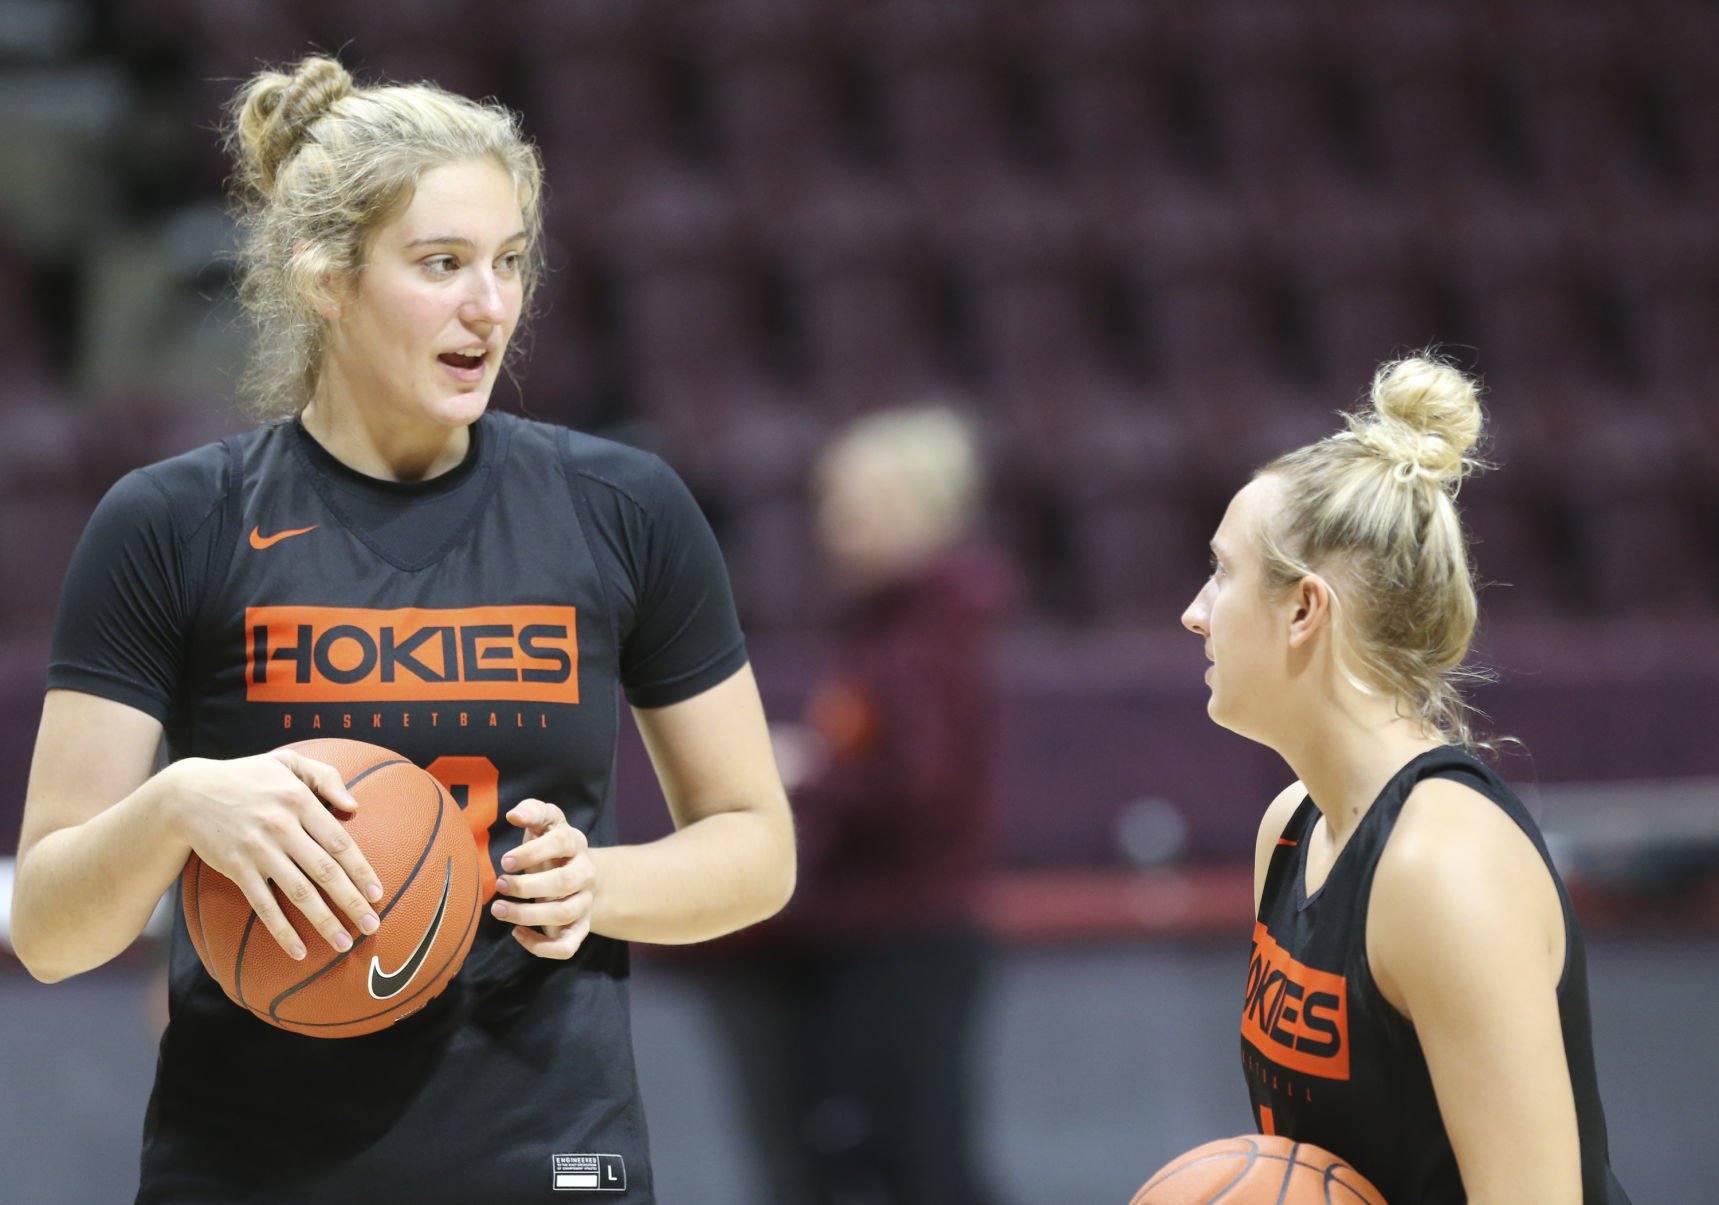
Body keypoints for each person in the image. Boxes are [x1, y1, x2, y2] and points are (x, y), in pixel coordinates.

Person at [7, 54, 795, 1204]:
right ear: (326, 278)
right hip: (252, 1168)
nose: (490, 305)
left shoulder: (624, 508)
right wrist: (176, 806)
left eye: (510, 262)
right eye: (441, 265)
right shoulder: (172, 523)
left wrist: (598, 886)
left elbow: (756, 847)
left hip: (551, 1159)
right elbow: (48, 926)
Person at [1180, 354, 1631, 1203]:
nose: (1194, 611)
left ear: (1304, 609)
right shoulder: (1289, 828)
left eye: (1222, 571)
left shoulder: (1440, 869)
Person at [700, 405, 1011, 1205]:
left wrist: (809, 774)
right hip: (885, 935)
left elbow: (915, 784)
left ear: (922, 511)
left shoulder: (919, 641)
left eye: (857, 504)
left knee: (918, 1166)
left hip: (902, 939)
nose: (833, 526)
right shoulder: (891, 632)